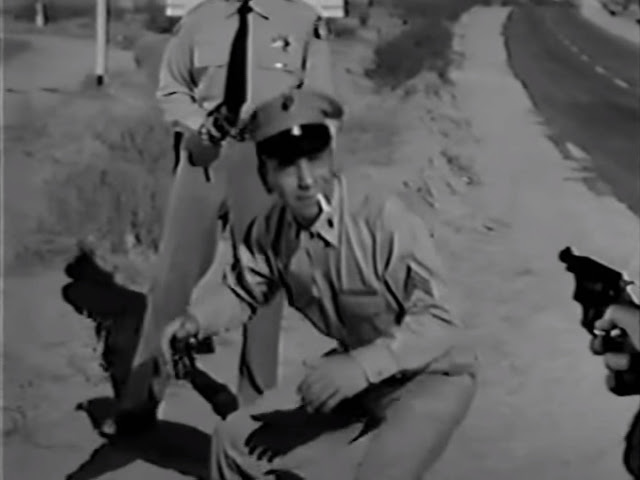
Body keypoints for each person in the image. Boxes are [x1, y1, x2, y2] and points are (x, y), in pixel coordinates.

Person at [161, 88, 478, 480]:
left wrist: (361, 367)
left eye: (315, 160)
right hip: (355, 379)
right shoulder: (272, 232)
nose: (306, 180)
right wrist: (195, 321)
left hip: (432, 376)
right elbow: (243, 290)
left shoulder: (380, 218)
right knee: (233, 440)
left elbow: (441, 319)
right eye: (287, 166)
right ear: (266, 175)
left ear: (332, 158)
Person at [117, 0, 337, 433]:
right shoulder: (201, 19)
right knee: (171, 280)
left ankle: (254, 411)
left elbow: (320, 102)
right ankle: (140, 400)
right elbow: (172, 87)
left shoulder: (302, 21)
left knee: (263, 284)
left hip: (267, 161)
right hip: (204, 159)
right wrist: (198, 125)